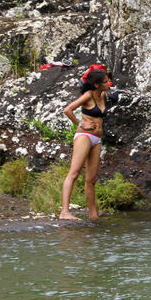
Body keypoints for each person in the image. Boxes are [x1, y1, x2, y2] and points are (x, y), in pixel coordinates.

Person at [59, 67, 113, 220]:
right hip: (84, 136)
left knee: (91, 180)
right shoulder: (88, 96)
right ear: (96, 84)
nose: (108, 83)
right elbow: (68, 109)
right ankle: (64, 212)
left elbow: (113, 93)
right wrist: (80, 124)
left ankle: (93, 214)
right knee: (74, 173)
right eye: (105, 81)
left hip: (97, 139)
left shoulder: (103, 95)